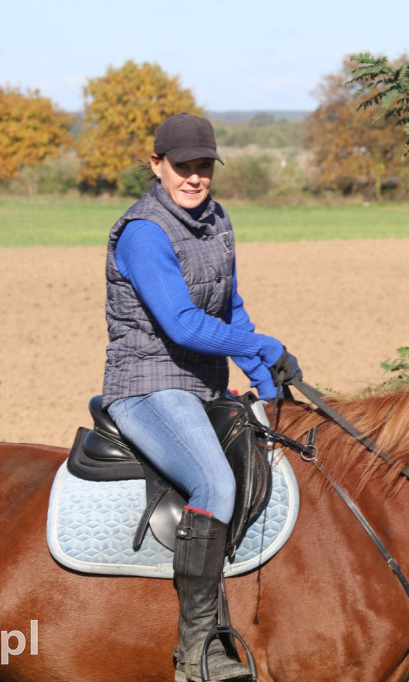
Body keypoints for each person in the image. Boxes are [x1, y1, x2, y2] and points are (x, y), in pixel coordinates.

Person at [101, 112, 301, 681]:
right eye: (182, 166)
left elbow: (229, 308)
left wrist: (267, 383)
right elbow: (185, 325)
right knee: (214, 482)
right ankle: (198, 652)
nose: (194, 178)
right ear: (156, 165)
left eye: (203, 167)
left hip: (205, 386)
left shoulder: (215, 220)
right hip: (147, 385)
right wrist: (261, 341)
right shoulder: (143, 232)